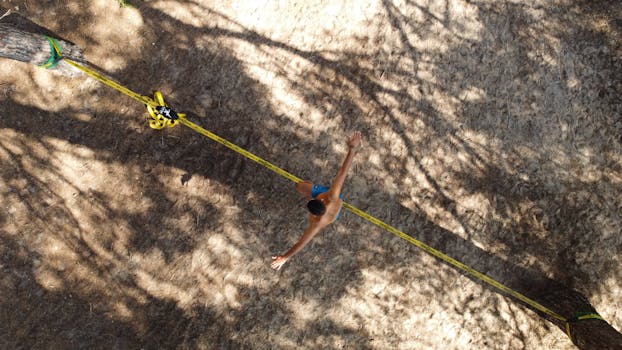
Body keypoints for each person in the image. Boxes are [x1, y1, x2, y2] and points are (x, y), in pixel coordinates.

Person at [271, 131, 362, 270]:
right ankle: (311, 186)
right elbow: (343, 172)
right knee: (300, 186)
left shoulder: (318, 222)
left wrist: (285, 257)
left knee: (302, 187)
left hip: (333, 207)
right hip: (329, 196)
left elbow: (301, 243)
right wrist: (352, 149)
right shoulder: (330, 197)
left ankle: (313, 188)